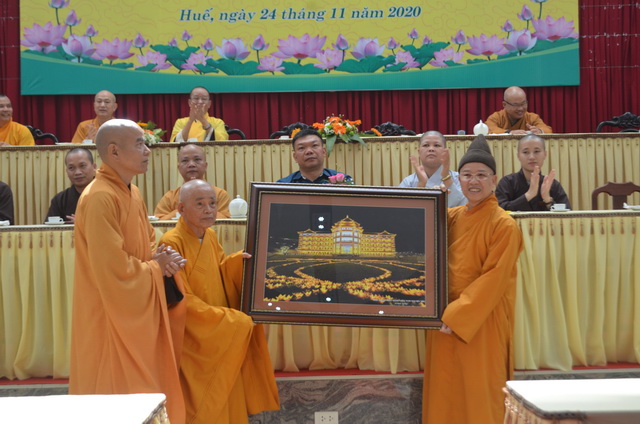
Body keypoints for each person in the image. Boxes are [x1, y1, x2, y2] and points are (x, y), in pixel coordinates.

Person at [69, 119, 187, 424]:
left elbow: (147, 242)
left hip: (134, 308)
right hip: (110, 312)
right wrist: (155, 266)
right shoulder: (99, 196)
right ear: (114, 152)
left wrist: (162, 258)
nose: (147, 151)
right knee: (117, 398)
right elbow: (113, 269)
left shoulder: (131, 191)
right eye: (139, 144)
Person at [159, 179, 280, 424]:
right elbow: (180, 298)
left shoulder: (210, 235)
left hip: (218, 333)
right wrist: (227, 321)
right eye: (200, 204)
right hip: (196, 335)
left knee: (228, 388)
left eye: (212, 203)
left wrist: (239, 263)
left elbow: (221, 271)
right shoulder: (171, 242)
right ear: (181, 209)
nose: (208, 210)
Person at [422, 134, 524, 423]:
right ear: (459, 179)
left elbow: (494, 277)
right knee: (445, 390)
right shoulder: (452, 216)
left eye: (481, 175)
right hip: (444, 317)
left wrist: (458, 314)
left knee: (481, 390)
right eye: (466, 175)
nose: (473, 181)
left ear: (494, 180)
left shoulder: (503, 224)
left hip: (479, 320)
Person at [154, 143, 230, 219]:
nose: (191, 164)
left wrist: (186, 212)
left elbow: (225, 221)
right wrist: (184, 210)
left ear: (205, 165)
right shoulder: (169, 197)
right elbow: (159, 222)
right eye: (185, 161)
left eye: (197, 160)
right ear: (179, 168)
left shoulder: (220, 195)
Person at [496, 135, 571, 211]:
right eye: (525, 152)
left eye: (536, 151)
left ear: (545, 154)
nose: (531, 157)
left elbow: (568, 215)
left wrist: (548, 200)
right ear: (518, 156)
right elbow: (498, 211)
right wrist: (528, 195)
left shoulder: (553, 185)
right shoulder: (507, 182)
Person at [399, 130, 467, 207]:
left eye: (436, 145)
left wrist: (446, 178)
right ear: (419, 152)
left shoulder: (459, 179)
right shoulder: (408, 182)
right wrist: (421, 185)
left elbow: (464, 207)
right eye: (426, 145)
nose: (431, 149)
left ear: (445, 151)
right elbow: (401, 209)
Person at [277, 129, 353, 183]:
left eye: (314, 146)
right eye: (301, 148)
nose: (309, 151)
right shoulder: (283, 185)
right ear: (295, 157)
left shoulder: (343, 180)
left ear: (324, 152)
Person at [45, 147, 96, 223]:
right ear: (67, 171)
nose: (77, 172)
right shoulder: (60, 200)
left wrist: (82, 223)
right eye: (71, 168)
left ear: (94, 167)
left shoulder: (106, 194)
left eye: (82, 166)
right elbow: (50, 229)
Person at [485, 86, 552, 135]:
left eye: (523, 104)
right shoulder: (496, 117)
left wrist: (539, 131)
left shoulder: (532, 118)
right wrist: (510, 132)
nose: (521, 108)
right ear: (504, 105)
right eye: (516, 105)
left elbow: (548, 130)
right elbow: (488, 129)